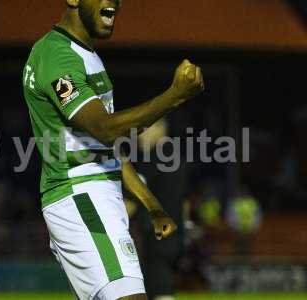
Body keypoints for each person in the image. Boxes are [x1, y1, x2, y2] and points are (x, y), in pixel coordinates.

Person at [22, 0, 204, 299]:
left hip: (97, 197)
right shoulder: (56, 55)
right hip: (81, 196)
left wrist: (153, 207)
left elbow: (105, 148)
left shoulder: (86, 55)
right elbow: (104, 128)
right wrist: (174, 96)